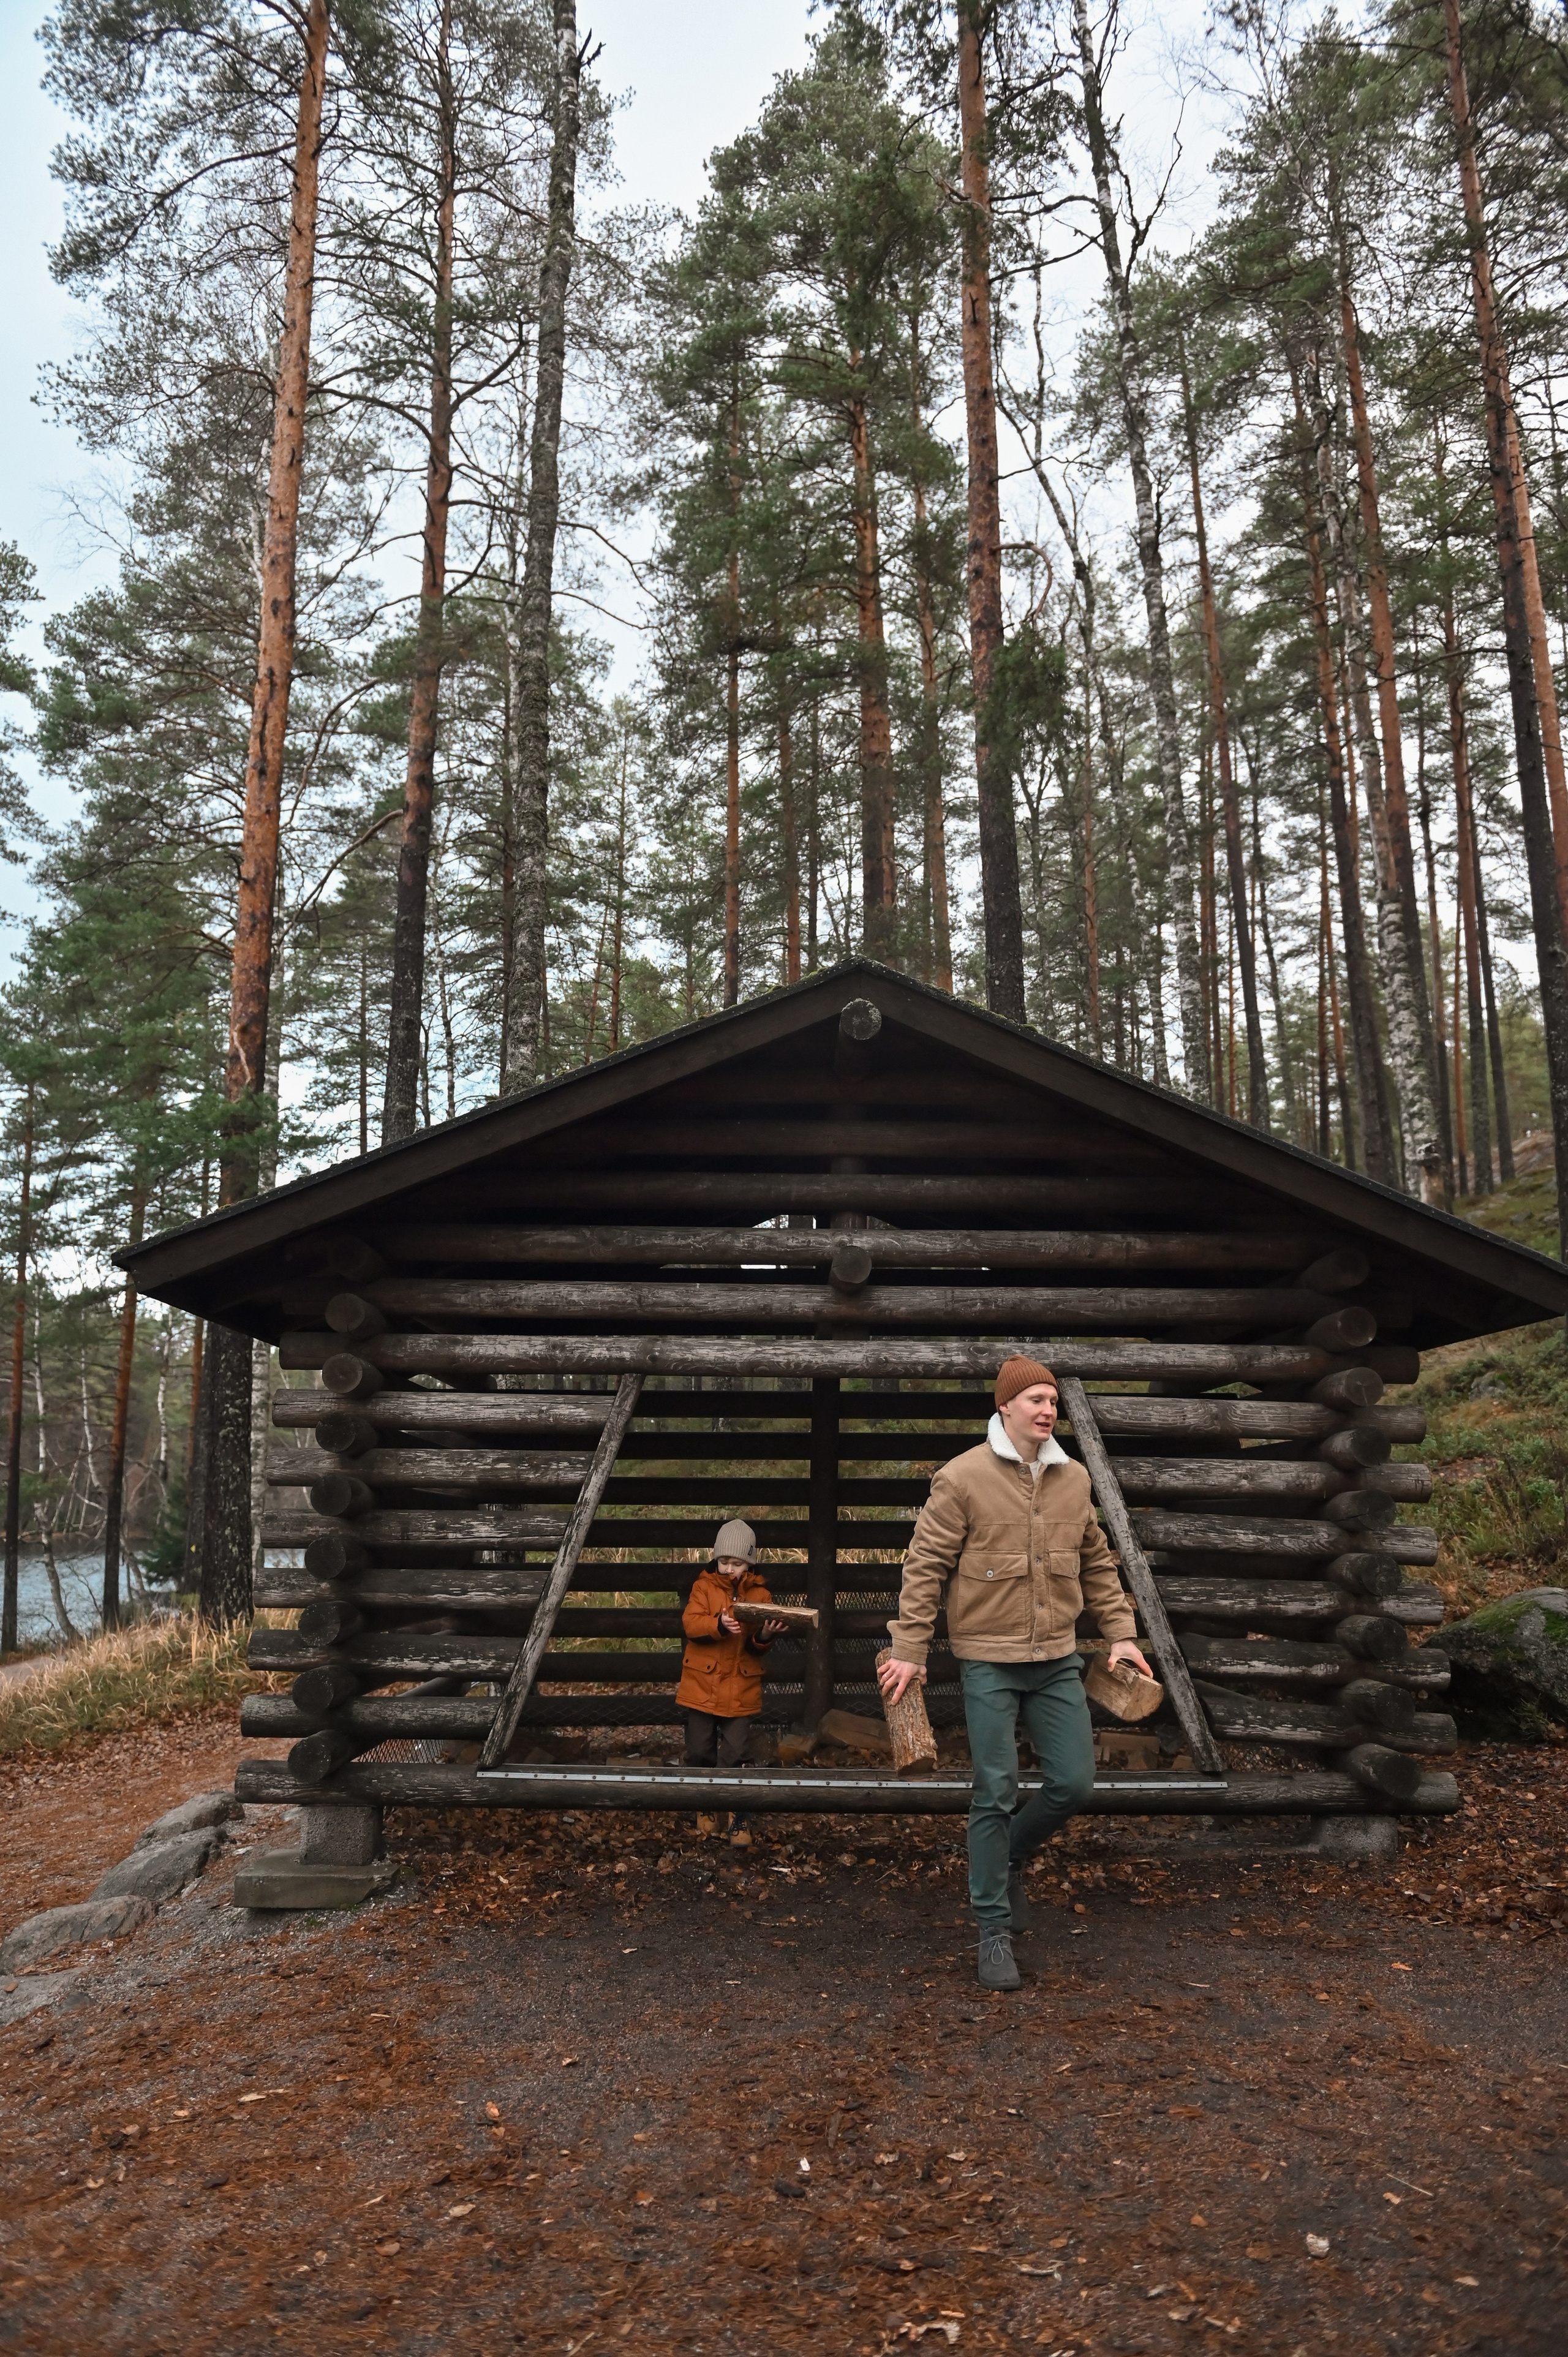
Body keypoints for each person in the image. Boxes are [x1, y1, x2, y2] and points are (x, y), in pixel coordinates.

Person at [877, 1357, 1153, 1991]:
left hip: (1056, 1659)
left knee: (1074, 1783)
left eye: (1052, 1398)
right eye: (1033, 1397)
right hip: (987, 1662)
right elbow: (924, 1566)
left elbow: (1097, 1563)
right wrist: (910, 1646)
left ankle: (1011, 1857)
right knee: (995, 1790)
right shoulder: (962, 1478)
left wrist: (1120, 1636)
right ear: (1004, 1406)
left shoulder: (1073, 1477)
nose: (1046, 1407)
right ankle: (992, 1928)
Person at [677, 1519, 787, 1843]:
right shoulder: (703, 1588)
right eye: (724, 1561)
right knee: (700, 1750)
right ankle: (705, 1805)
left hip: (741, 1687)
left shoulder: (761, 1594)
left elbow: (756, 1645)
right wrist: (719, 1623)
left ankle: (738, 1815)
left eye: (736, 1563)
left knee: (737, 1752)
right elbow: (691, 1625)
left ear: (749, 1562)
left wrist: (766, 1634)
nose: (729, 1568)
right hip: (702, 1685)